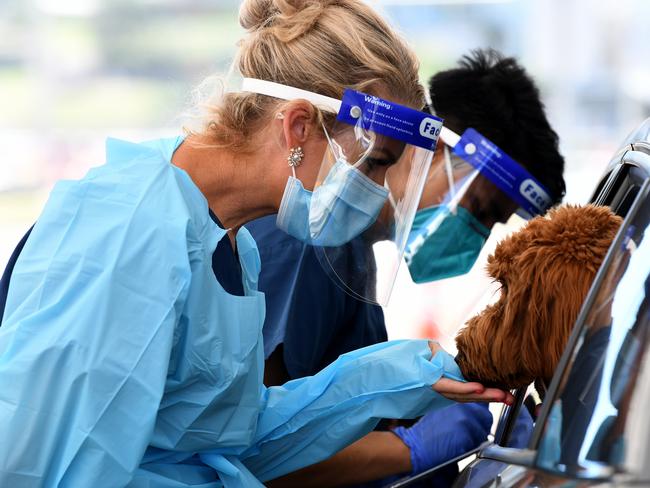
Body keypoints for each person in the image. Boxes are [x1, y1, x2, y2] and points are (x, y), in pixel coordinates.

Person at [0, 2, 513, 487]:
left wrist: (395, 376)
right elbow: (54, 465)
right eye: (375, 162)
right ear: (298, 127)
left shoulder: (228, 244)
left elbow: (230, 438)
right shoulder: (130, 237)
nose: (379, 190)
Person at [247, 49, 565, 486]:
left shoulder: (352, 255)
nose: (476, 234)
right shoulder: (311, 243)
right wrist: (407, 451)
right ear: (431, 148)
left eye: (490, 224)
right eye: (477, 208)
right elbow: (252, 450)